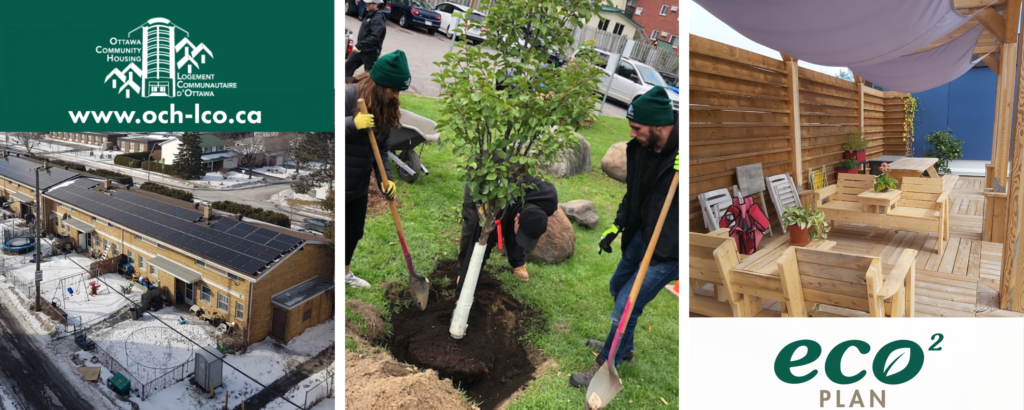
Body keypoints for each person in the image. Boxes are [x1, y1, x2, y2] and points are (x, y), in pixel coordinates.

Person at [569, 87, 679, 388]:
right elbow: (633, 194)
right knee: (618, 286)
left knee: (626, 306)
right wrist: (616, 226)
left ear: (659, 125)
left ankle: (607, 362)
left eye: (636, 128)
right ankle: (625, 347)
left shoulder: (687, 153)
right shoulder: (640, 149)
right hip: (642, 236)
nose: (632, 133)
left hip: (670, 250)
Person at [344, 50, 411, 288]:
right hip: (337, 182)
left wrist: (387, 179)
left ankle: (344, 274)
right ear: (380, 85)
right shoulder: (348, 96)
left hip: (359, 183)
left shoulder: (386, 106)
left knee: (353, 232)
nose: (396, 96)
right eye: (394, 90)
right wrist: (352, 123)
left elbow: (381, 148)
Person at [458, 173, 558, 286]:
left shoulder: (550, 201)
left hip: (516, 189)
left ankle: (518, 261)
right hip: (485, 175)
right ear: (517, 217)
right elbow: (484, 244)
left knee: (523, 227)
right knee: (472, 223)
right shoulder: (497, 209)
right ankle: (463, 271)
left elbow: (529, 219)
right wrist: (465, 283)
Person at [346, 0, 388, 79]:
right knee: (347, 68)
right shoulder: (371, 15)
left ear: (376, 5)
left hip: (370, 53)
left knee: (369, 77)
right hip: (360, 50)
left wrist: (359, 45)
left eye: (369, 3)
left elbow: (375, 37)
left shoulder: (378, 18)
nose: (366, 4)